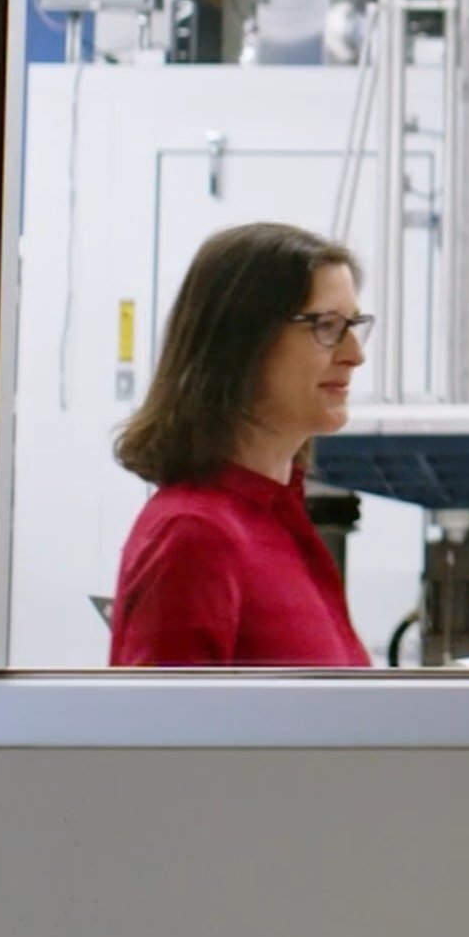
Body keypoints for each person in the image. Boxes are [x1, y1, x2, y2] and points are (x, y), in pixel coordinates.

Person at [106, 221, 377, 668]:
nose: (355, 354)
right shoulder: (194, 536)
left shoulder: (273, 521)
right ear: (243, 341)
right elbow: (158, 715)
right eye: (327, 326)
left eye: (354, 326)